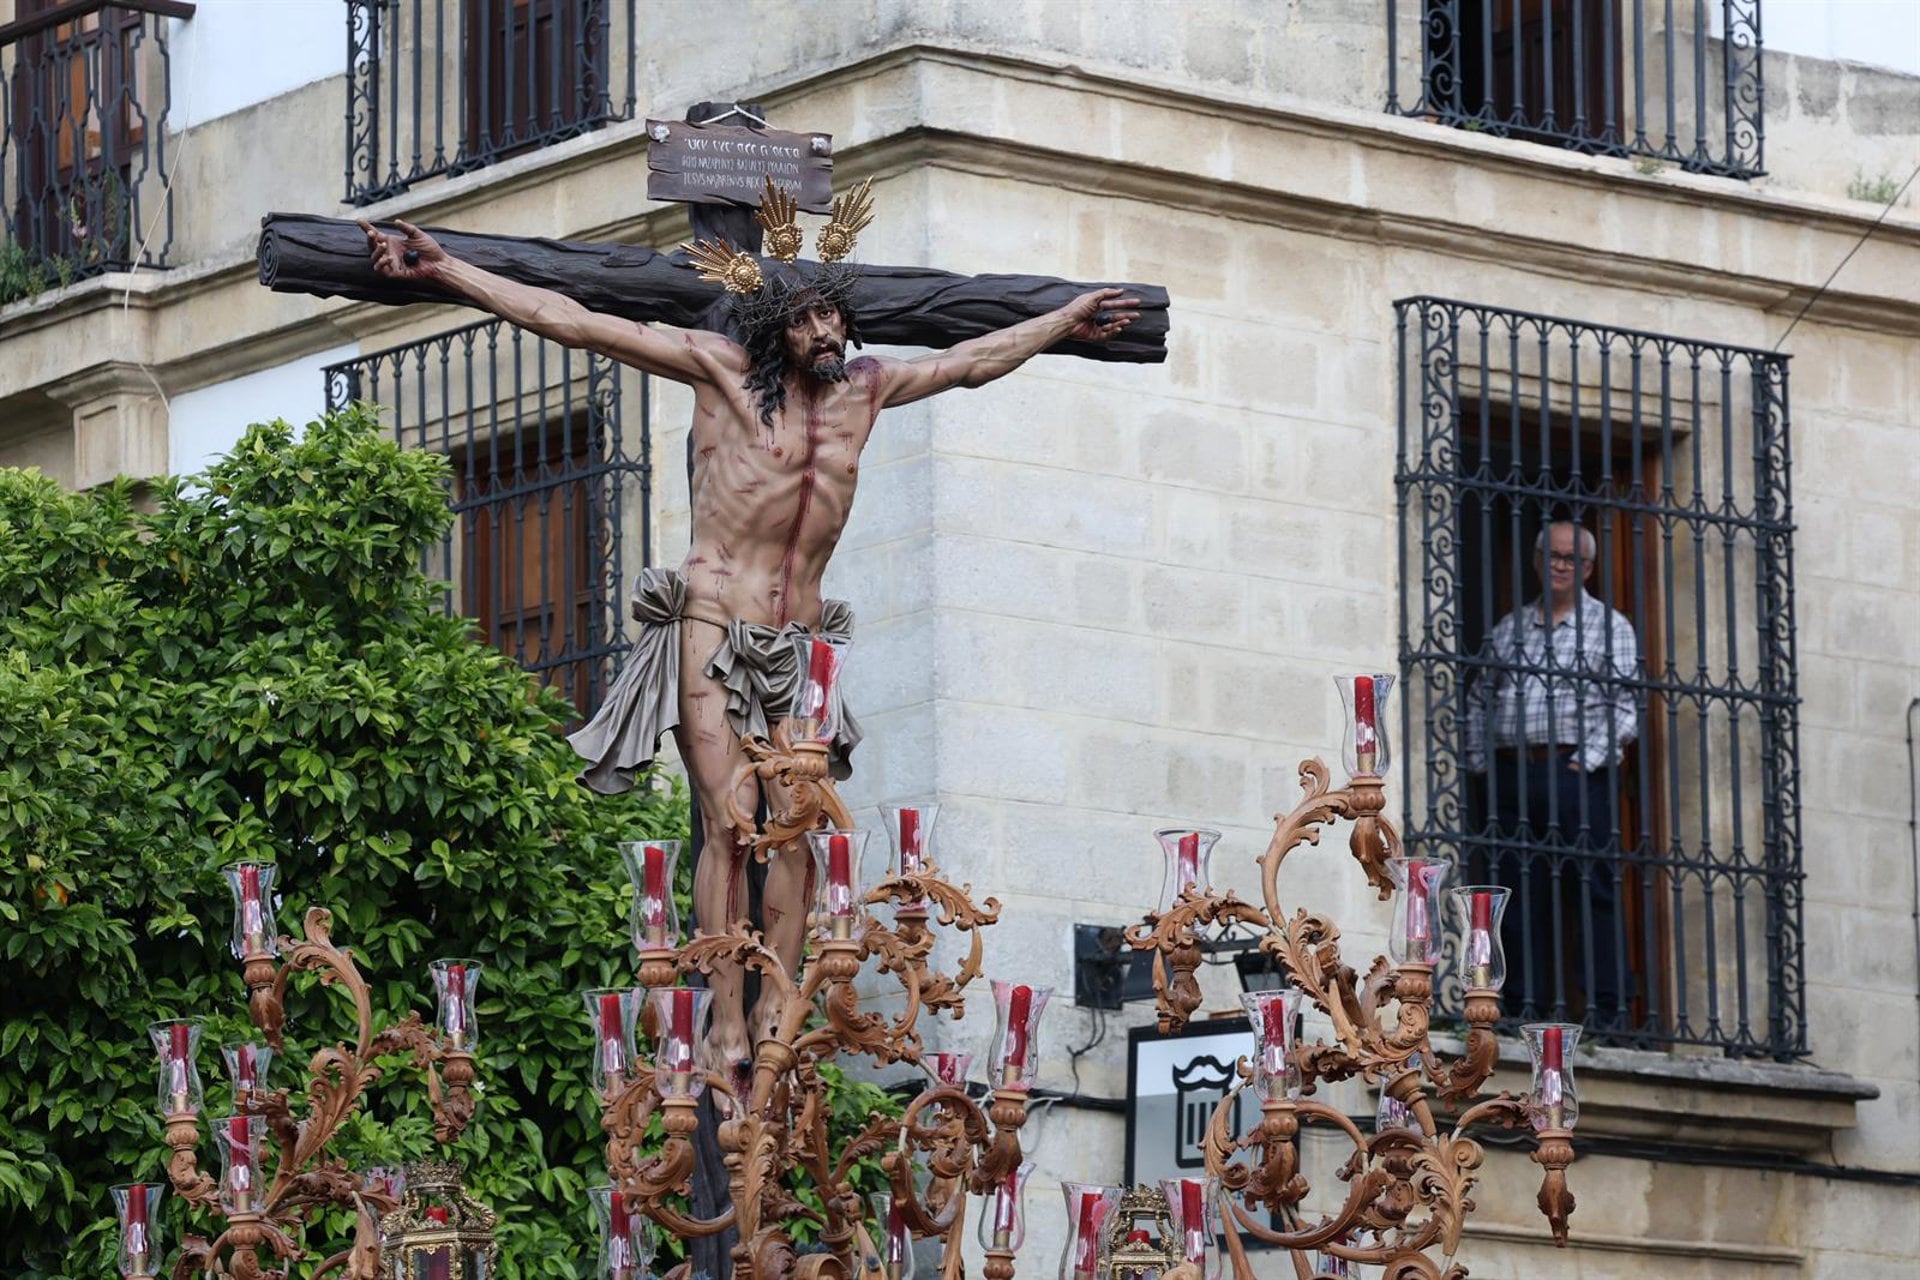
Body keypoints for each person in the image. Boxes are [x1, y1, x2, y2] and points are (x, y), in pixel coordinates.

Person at [361, 186, 1139, 1078]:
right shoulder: (719, 369)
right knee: (728, 824)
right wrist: (451, 270)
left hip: (801, 643)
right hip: (713, 621)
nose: (830, 333)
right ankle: (722, 1022)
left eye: (837, 317)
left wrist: (1062, 319)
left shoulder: (867, 392)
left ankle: (780, 1008)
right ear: (776, 325)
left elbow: (970, 361)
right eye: (810, 318)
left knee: (798, 828)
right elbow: (571, 320)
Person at [1463, 520, 1640, 1022]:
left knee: (1592, 893)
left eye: (1573, 559)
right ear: (1538, 562)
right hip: (1514, 774)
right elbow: (1479, 698)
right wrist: (1482, 766)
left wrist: (1586, 760)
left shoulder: (1610, 627)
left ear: (1588, 568)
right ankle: (1521, 1004)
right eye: (1554, 556)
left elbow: (1625, 705)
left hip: (1575, 772)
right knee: (1518, 897)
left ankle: (1609, 1010)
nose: (1562, 566)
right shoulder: (1510, 628)